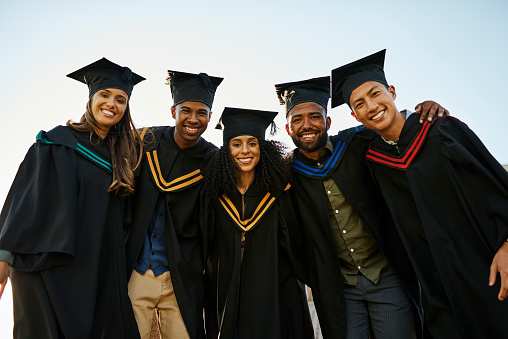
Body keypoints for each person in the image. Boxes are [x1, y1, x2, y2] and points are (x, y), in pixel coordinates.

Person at [331, 49, 508, 338]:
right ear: (354, 115)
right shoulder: (376, 161)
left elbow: (494, 187)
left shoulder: (442, 131)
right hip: (436, 290)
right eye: (360, 104)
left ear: (392, 92)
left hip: (486, 268)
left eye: (376, 94)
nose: (372, 106)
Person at [276, 76, 449, 339]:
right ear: (288, 129)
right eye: (297, 119)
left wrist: (424, 112)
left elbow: (394, 129)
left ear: (328, 122)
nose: (307, 125)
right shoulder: (286, 173)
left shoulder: (357, 144)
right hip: (340, 288)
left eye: (315, 116)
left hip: (386, 277)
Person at [0, 57, 144, 338]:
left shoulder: (122, 160)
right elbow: (22, 201)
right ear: (90, 100)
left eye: (120, 99)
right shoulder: (58, 142)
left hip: (94, 274)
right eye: (104, 95)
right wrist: (3, 257)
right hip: (48, 266)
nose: (111, 104)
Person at [201, 107, 313, 339]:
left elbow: (296, 243)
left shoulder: (279, 192)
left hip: (273, 291)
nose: (245, 150)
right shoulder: (215, 195)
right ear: (226, 150)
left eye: (252, 143)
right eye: (236, 144)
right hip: (227, 292)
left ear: (263, 148)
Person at [125, 70, 221, 339]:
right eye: (186, 111)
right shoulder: (144, 142)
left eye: (202, 113)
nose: (193, 119)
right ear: (173, 111)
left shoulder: (213, 160)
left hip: (182, 276)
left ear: (210, 117)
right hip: (137, 272)